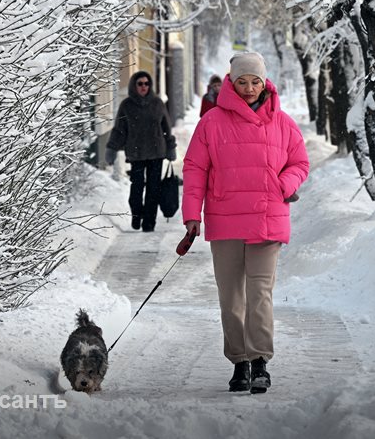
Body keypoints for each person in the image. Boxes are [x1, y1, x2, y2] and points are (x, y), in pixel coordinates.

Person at [182, 52, 308, 394]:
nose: (250, 87)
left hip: (268, 219)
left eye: (255, 81)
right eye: (242, 81)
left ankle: (260, 362)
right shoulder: (211, 123)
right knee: (231, 298)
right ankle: (239, 362)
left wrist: (284, 185)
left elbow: (300, 162)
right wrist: (192, 215)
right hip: (225, 220)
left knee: (260, 295)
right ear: (231, 83)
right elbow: (195, 169)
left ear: (264, 82)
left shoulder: (283, 123)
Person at [105, 71, 176, 232]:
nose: (144, 87)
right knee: (136, 189)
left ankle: (149, 222)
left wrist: (170, 147)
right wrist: (112, 148)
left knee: (153, 189)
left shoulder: (158, 104)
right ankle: (137, 215)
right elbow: (119, 130)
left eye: (146, 83)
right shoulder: (127, 106)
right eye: (140, 83)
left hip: (157, 152)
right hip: (136, 154)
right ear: (134, 85)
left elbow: (166, 128)